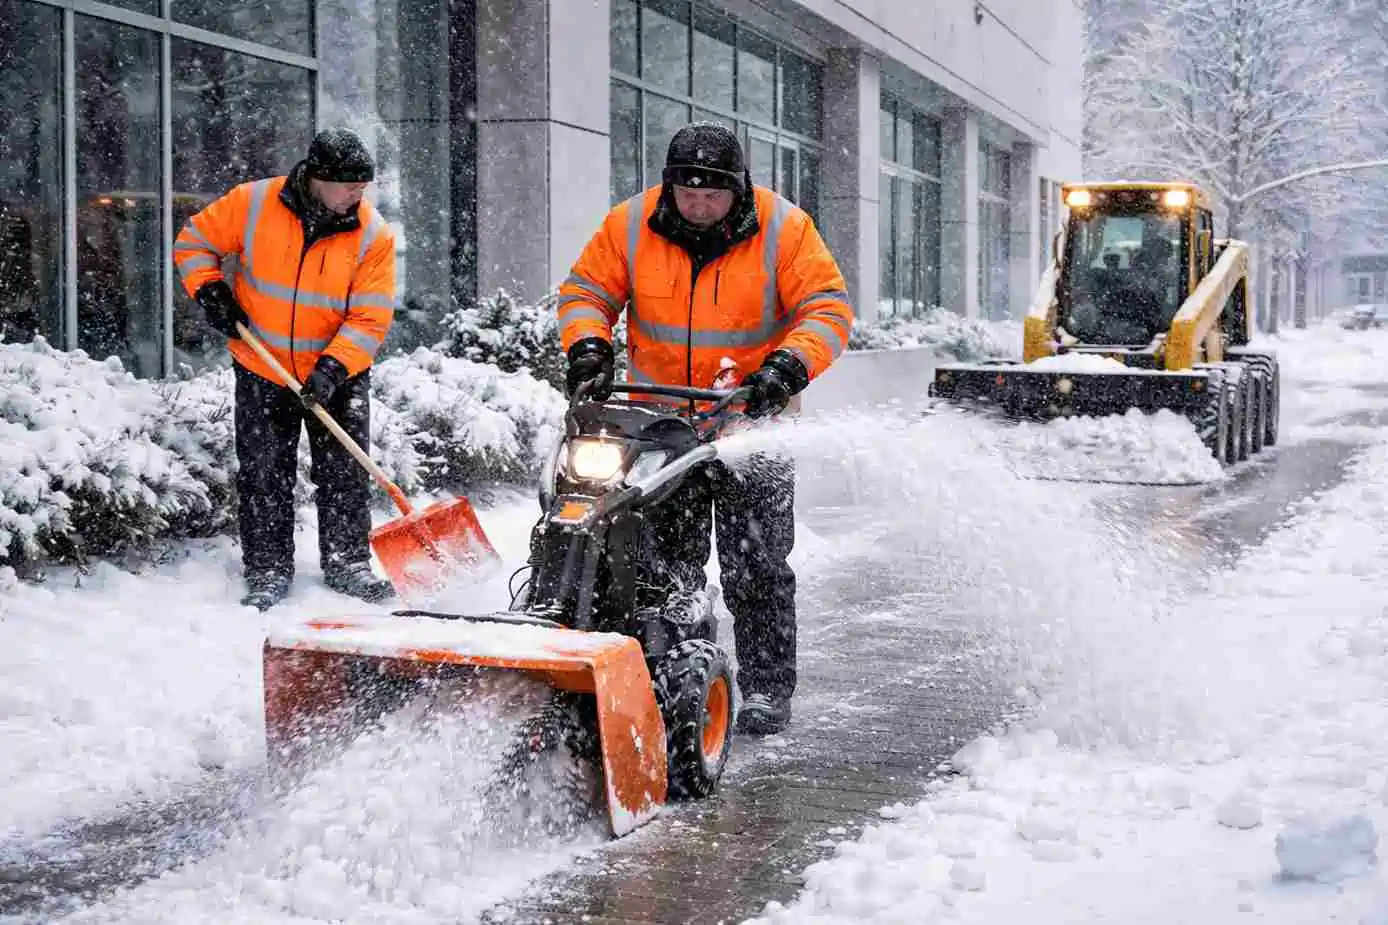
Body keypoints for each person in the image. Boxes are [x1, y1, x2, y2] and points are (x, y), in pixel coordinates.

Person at [557, 122, 854, 735]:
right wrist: (588, 344)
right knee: (666, 566)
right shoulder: (630, 224)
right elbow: (587, 290)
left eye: (710, 195)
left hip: (753, 423)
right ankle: (678, 673)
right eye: (686, 192)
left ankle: (768, 688)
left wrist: (786, 367)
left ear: (737, 188)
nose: (696, 205)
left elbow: (827, 309)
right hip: (660, 425)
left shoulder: (783, 228)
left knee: (758, 567)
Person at [173, 129, 397, 611]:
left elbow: (370, 316)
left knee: (343, 471)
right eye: (348, 185)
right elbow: (194, 243)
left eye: (363, 184)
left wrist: (333, 369)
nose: (357, 194)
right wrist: (211, 291)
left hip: (337, 371)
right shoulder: (252, 204)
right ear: (317, 178)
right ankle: (268, 569)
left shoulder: (372, 235)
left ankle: (347, 562)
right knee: (263, 472)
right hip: (262, 365)